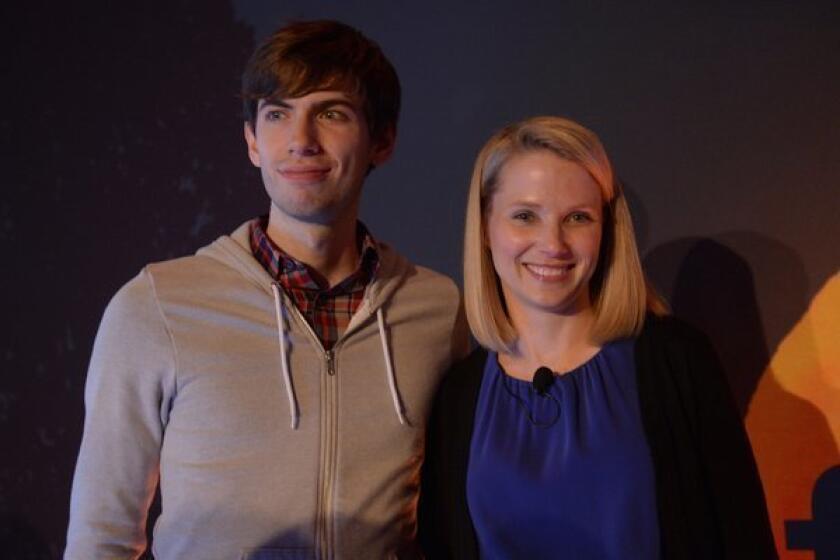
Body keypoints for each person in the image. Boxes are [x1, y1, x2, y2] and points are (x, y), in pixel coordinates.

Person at [65, 20, 468, 559]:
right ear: (252, 141)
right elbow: (100, 540)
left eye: (330, 112)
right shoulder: (157, 306)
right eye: (278, 114)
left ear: (384, 139)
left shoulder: (437, 311)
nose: (301, 141)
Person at [418, 116, 777, 559]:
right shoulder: (458, 397)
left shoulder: (675, 361)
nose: (553, 244)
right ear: (486, 229)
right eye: (525, 216)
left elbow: (744, 539)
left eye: (578, 218)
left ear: (606, 231)